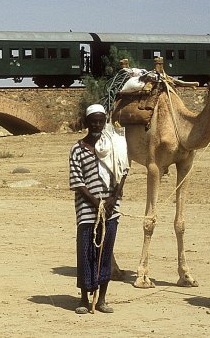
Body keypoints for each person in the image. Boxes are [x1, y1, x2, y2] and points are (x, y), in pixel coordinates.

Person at [69, 104, 129, 314]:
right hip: (87, 210)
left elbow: (123, 171)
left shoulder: (114, 145)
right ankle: (84, 299)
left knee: (105, 253)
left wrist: (113, 198)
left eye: (100, 121)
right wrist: (97, 203)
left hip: (111, 209)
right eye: (93, 121)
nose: (96, 125)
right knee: (86, 253)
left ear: (105, 122)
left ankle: (101, 299)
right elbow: (77, 181)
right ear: (86, 123)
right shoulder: (77, 149)